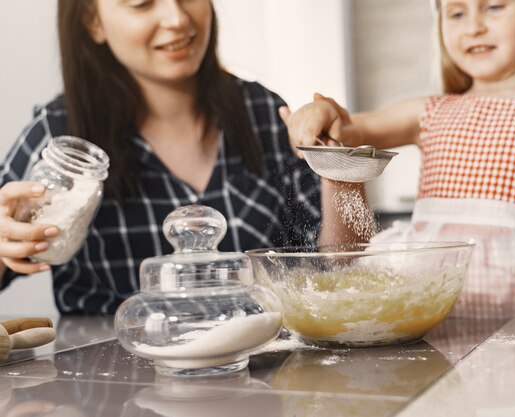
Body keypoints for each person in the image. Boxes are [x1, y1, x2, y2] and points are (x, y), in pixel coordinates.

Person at [0, 0, 365, 314]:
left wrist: (339, 162)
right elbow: (9, 245)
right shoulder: (63, 138)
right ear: (93, 22)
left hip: (261, 377)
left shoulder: (262, 112)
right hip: (107, 384)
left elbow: (340, 267)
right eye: (143, 3)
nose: (177, 18)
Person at [280, 0, 515, 319]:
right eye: (456, 13)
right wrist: (322, 112)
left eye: (493, 7)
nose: (473, 26)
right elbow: (348, 129)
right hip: (423, 297)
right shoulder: (429, 110)